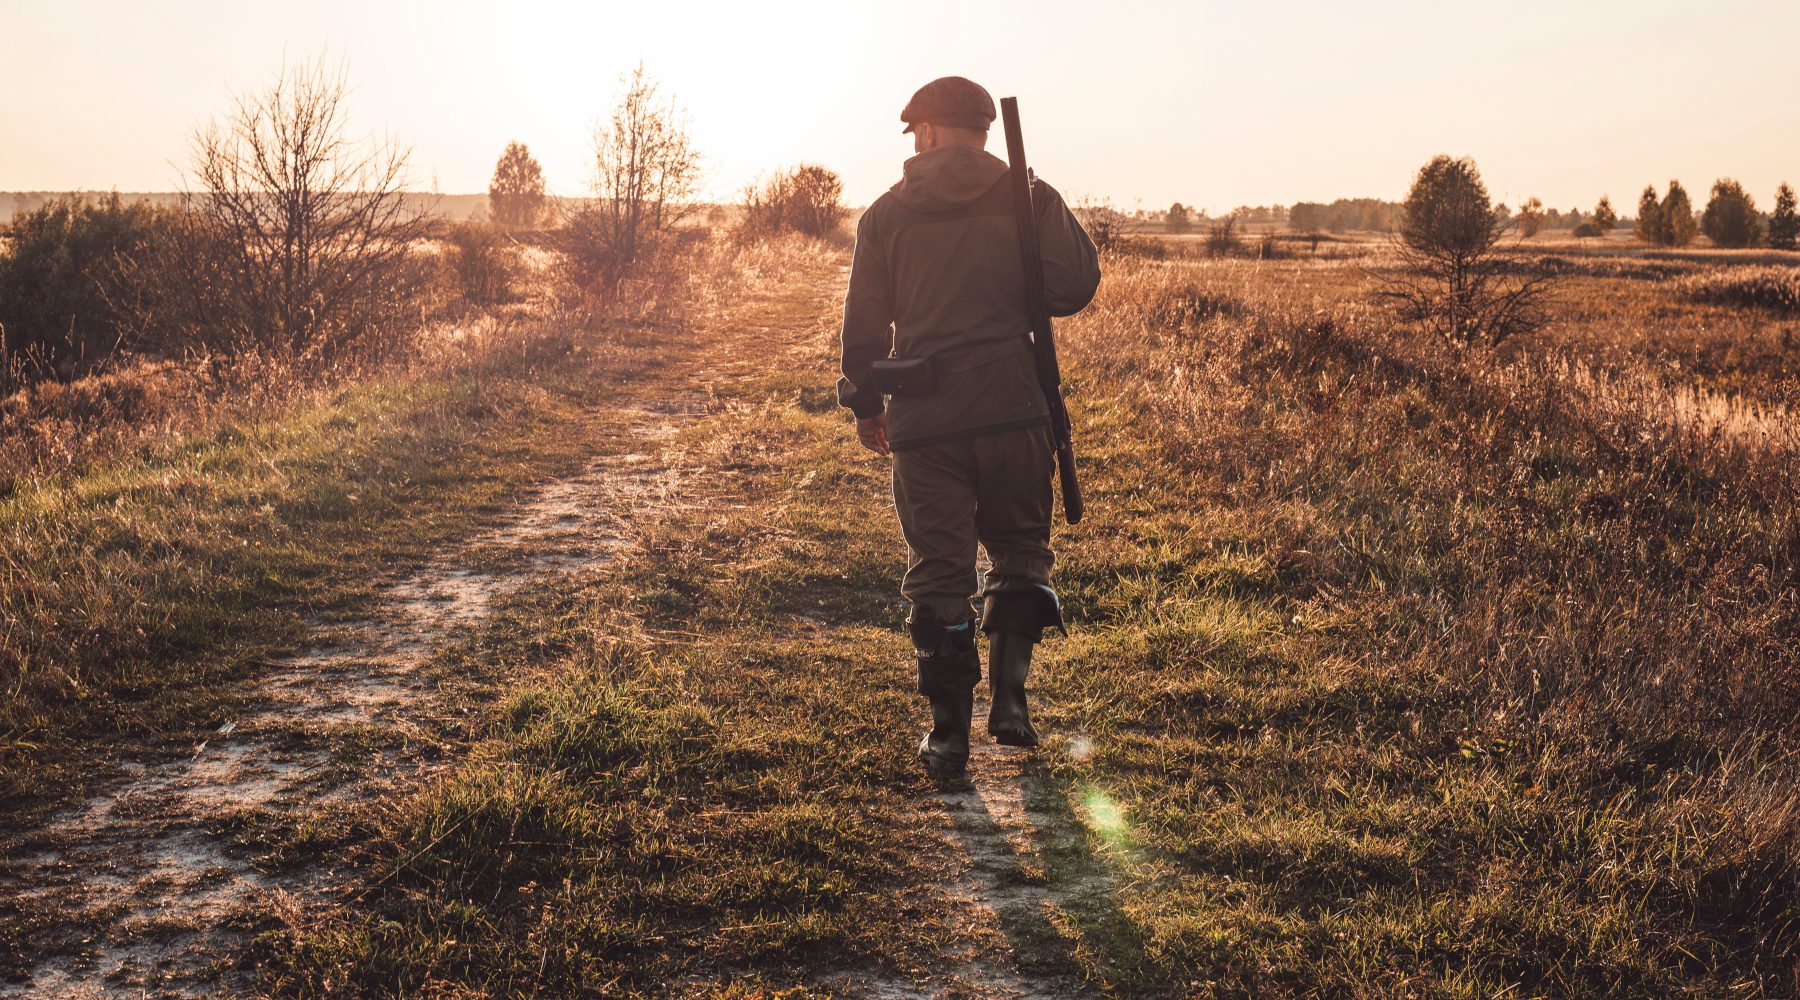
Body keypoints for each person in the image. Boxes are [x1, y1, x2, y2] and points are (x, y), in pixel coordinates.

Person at [836, 76, 1101, 774]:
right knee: (1020, 549)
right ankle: (1010, 702)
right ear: (984, 133)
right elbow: (1074, 286)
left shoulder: (884, 216)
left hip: (925, 422)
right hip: (1015, 410)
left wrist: (866, 405)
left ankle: (949, 733)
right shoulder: (1028, 197)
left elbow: (864, 326)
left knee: (939, 571)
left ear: (925, 132)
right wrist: (1031, 213)